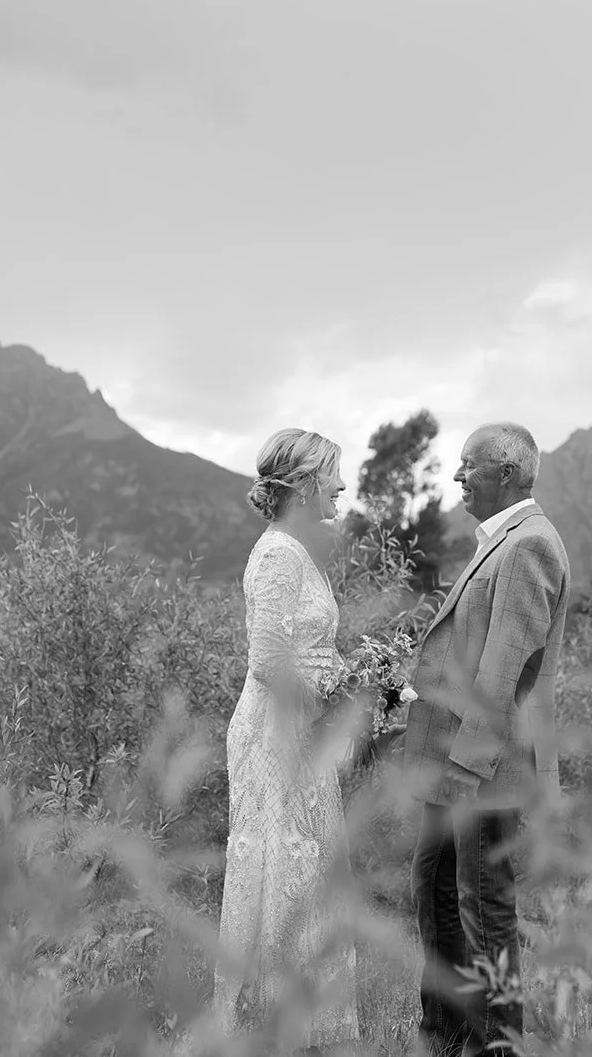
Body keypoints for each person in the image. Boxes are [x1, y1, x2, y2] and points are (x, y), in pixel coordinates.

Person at [400, 422, 571, 1056]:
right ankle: (445, 1030)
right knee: (438, 888)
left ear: (504, 473)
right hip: (458, 760)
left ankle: (498, 1045)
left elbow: (503, 669)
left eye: (468, 465)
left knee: (482, 908)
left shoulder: (529, 546)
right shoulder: (499, 541)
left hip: (484, 767)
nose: (457, 476)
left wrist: (465, 774)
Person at [213, 428, 361, 1054]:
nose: (342, 486)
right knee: (282, 864)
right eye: (333, 475)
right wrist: (336, 698)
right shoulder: (275, 556)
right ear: (303, 485)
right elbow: (270, 662)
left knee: (306, 864)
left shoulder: (297, 553)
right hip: (278, 733)